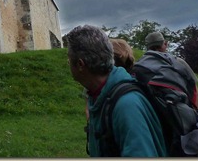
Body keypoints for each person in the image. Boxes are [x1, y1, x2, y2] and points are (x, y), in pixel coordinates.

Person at [67, 25, 167, 157]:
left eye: (69, 58)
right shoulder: (98, 95)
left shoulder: (127, 105)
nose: (67, 62)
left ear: (80, 65)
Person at [142, 31, 198, 108]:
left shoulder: (142, 65)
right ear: (165, 44)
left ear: (148, 48)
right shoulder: (178, 62)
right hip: (181, 109)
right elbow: (194, 90)